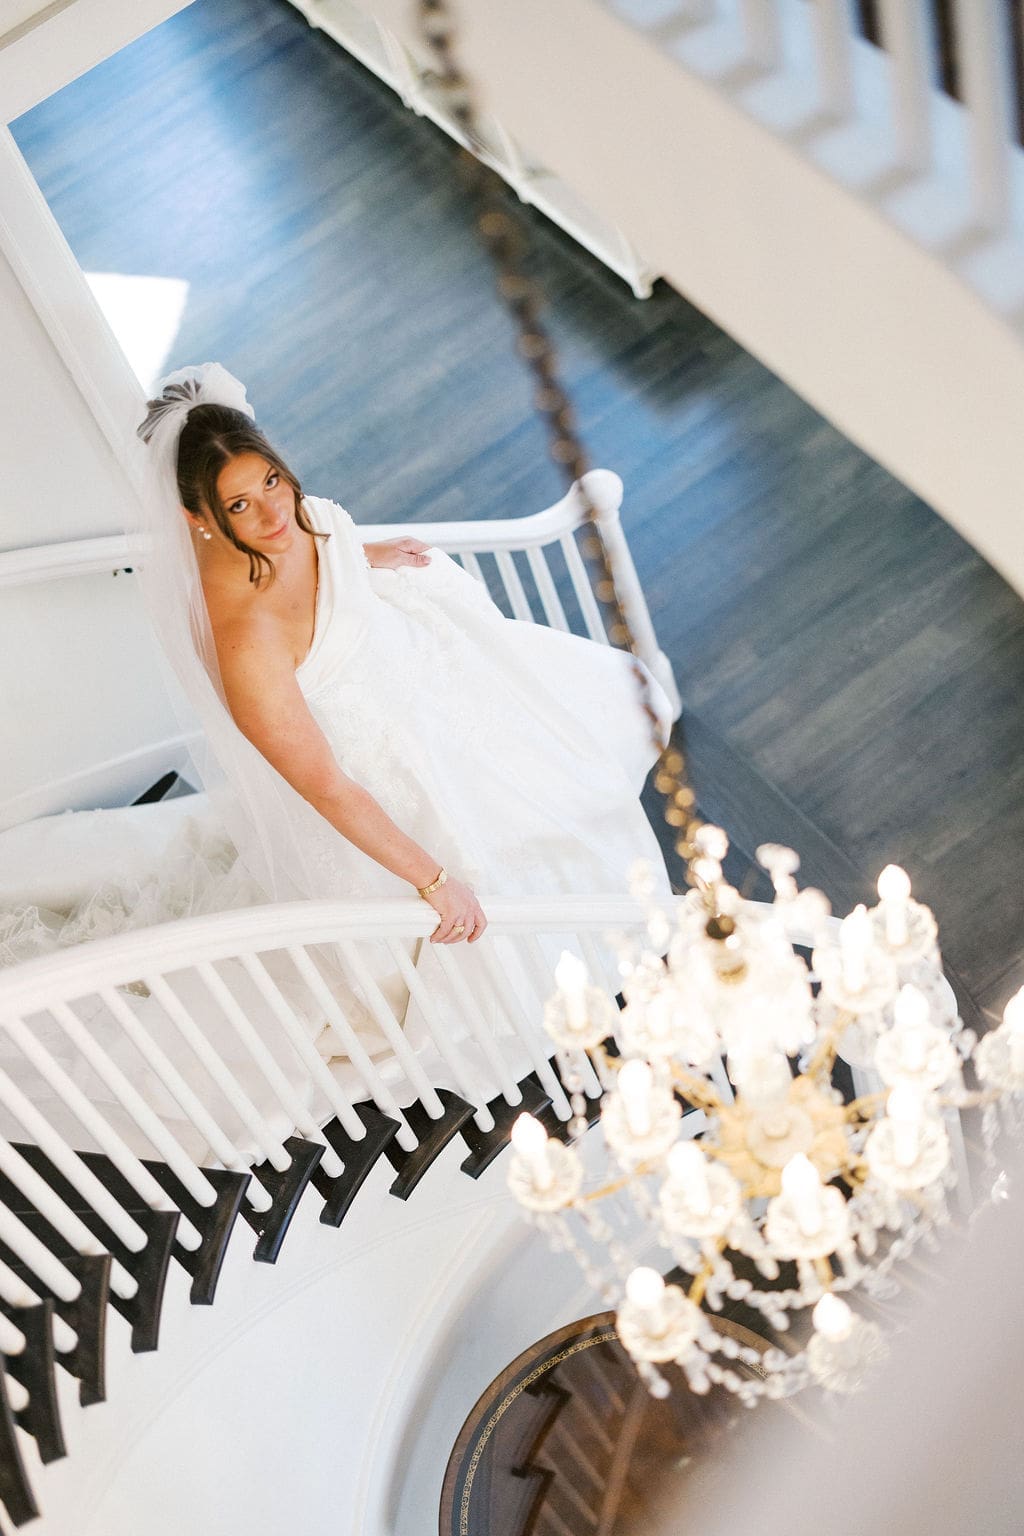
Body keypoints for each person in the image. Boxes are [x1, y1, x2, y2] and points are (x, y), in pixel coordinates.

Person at [133, 362, 676, 950]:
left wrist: (361, 554)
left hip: (426, 684)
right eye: (238, 506)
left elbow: (314, 549)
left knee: (565, 762)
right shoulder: (243, 641)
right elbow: (324, 785)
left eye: (270, 481)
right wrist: (434, 880)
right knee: (499, 869)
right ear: (195, 517)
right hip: (379, 773)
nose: (273, 514)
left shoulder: (293, 516)